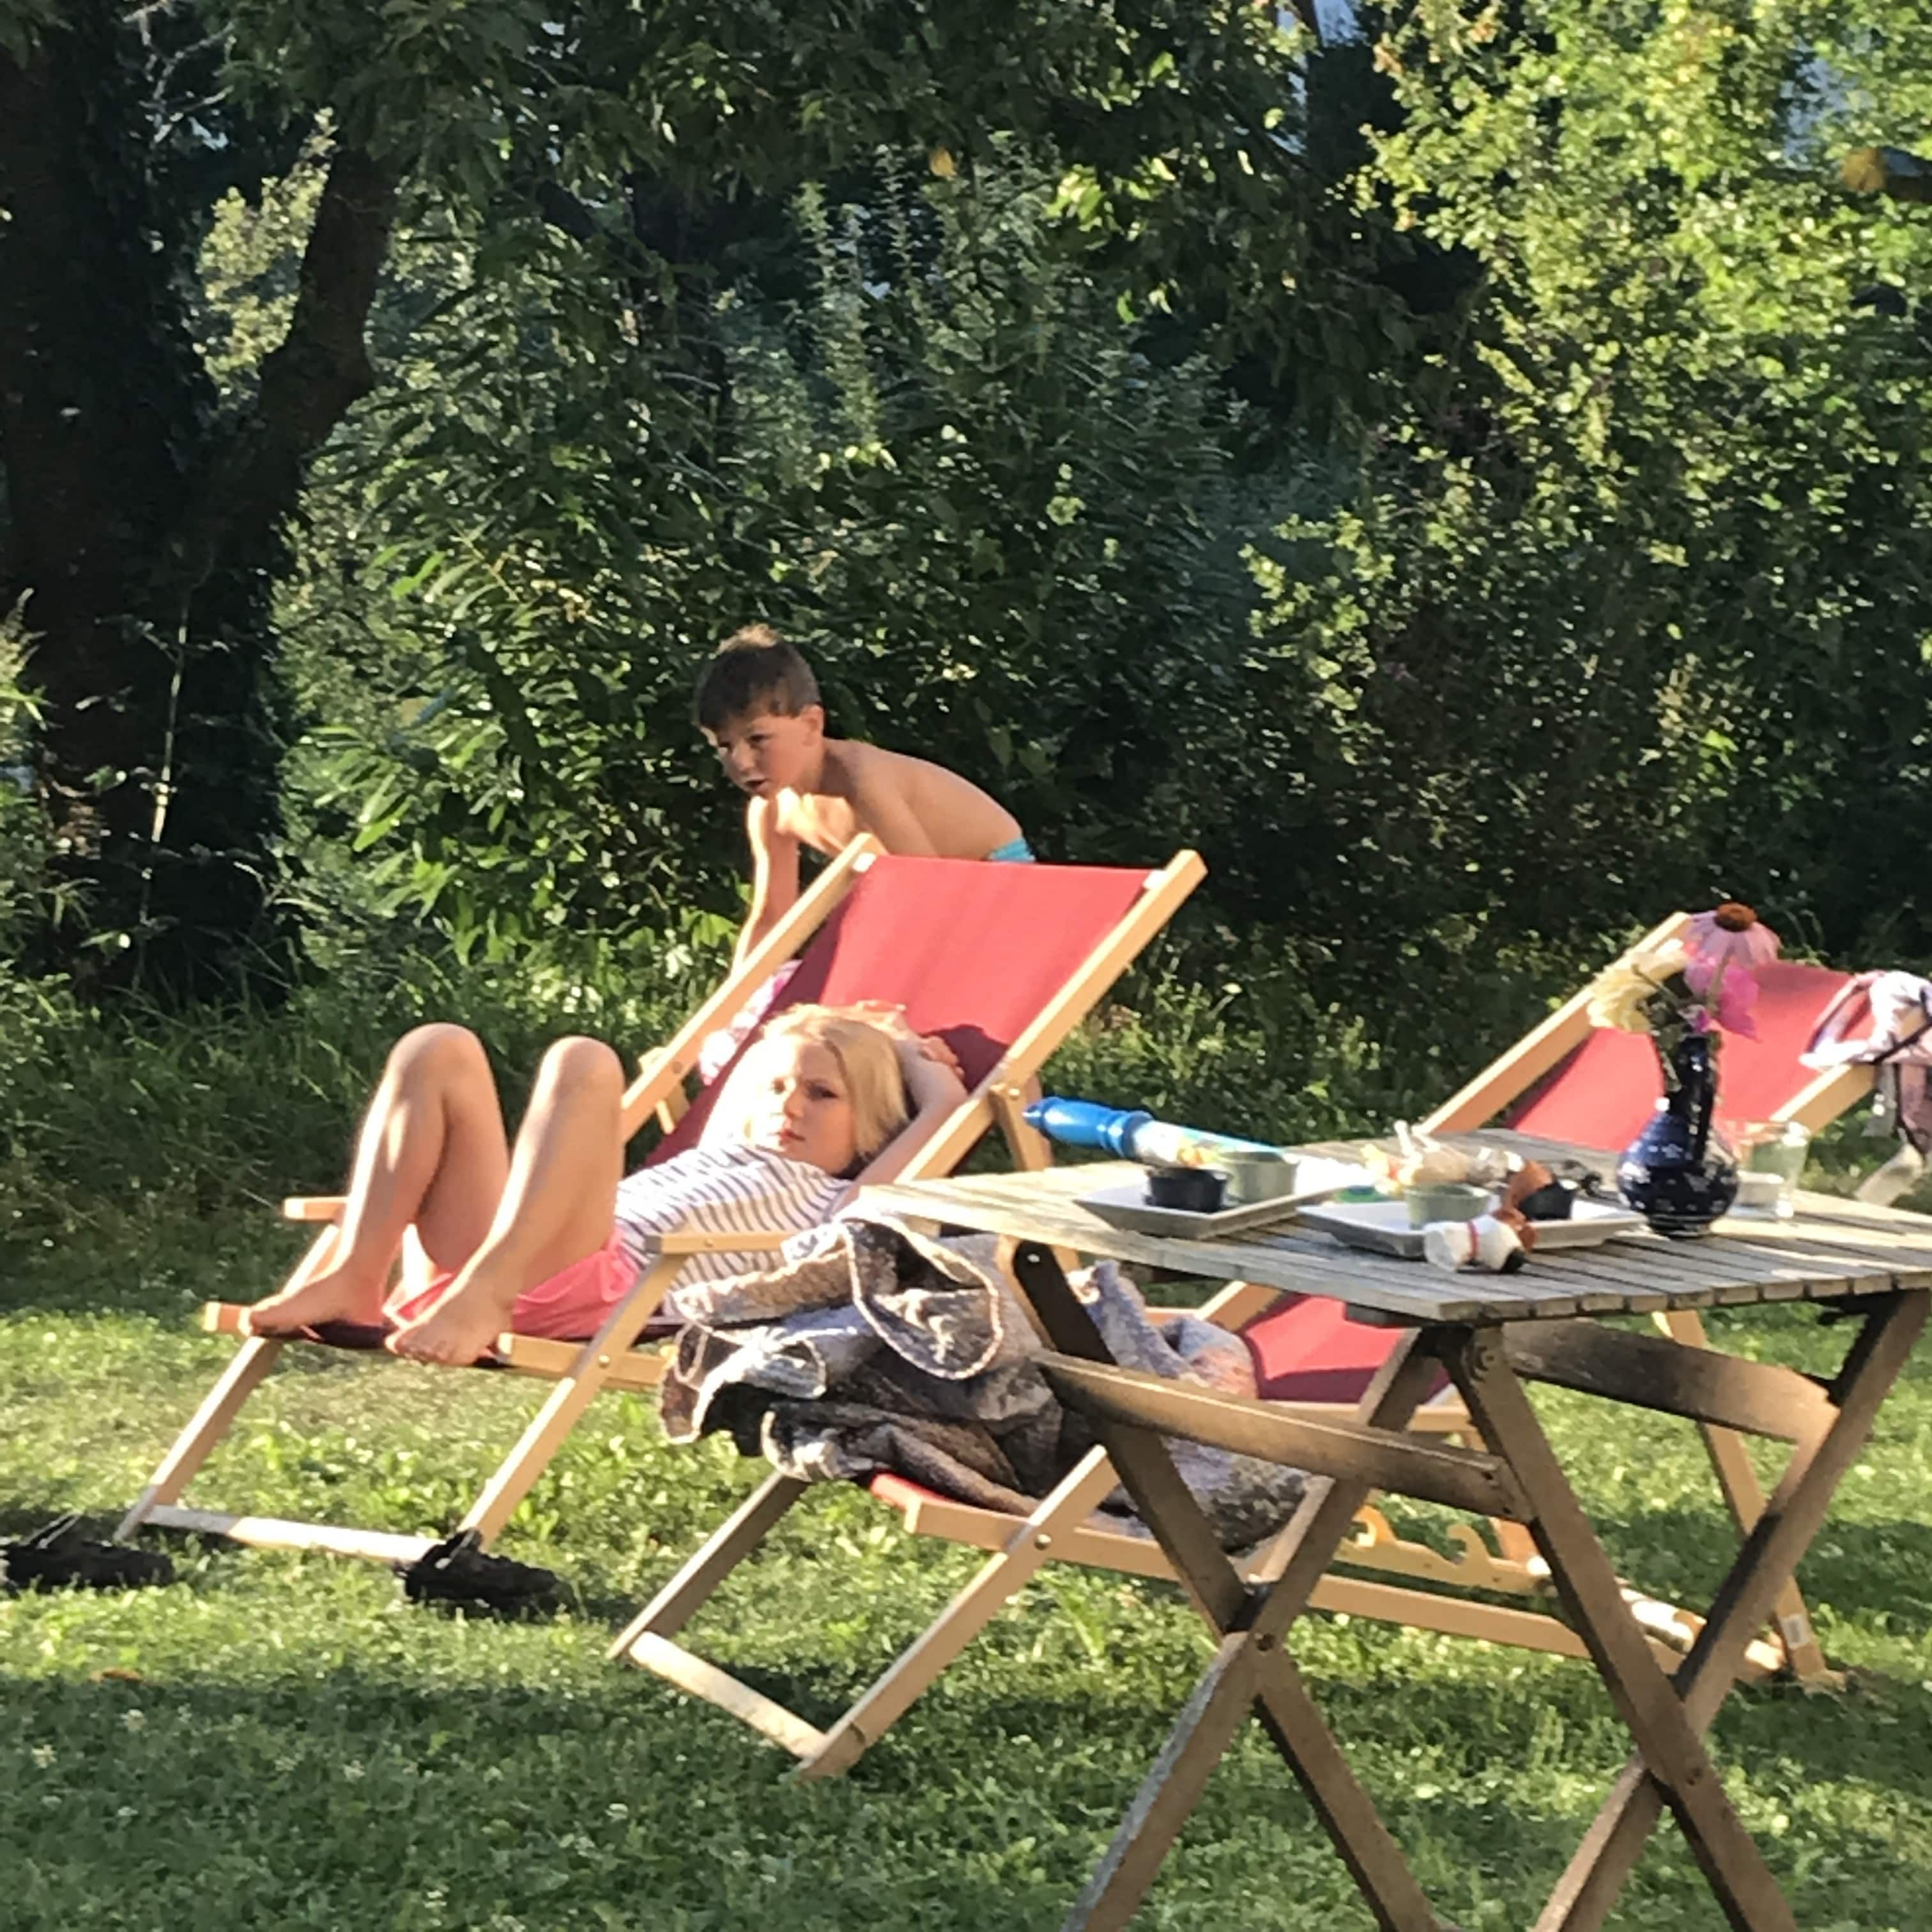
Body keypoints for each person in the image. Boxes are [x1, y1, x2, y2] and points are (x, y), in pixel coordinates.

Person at [240, 1004, 966, 1366]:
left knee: (585, 1062)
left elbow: (930, 1137)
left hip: (603, 1286)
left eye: (823, 1095)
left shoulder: (839, 1201)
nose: (790, 1106)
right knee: (438, 1048)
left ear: (872, 1131)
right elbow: (754, 1102)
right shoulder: (723, 1149)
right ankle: (355, 1276)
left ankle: (487, 1295)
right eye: (775, 1087)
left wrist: (936, 1091)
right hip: (513, 1255)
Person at [694, 625, 1034, 971]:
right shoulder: (770, 811)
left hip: (997, 875)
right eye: (724, 746)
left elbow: (930, 885)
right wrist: (734, 1010)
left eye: (758, 739)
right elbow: (770, 917)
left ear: (812, 725)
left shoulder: (861, 781)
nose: (741, 762)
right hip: (931, 896)